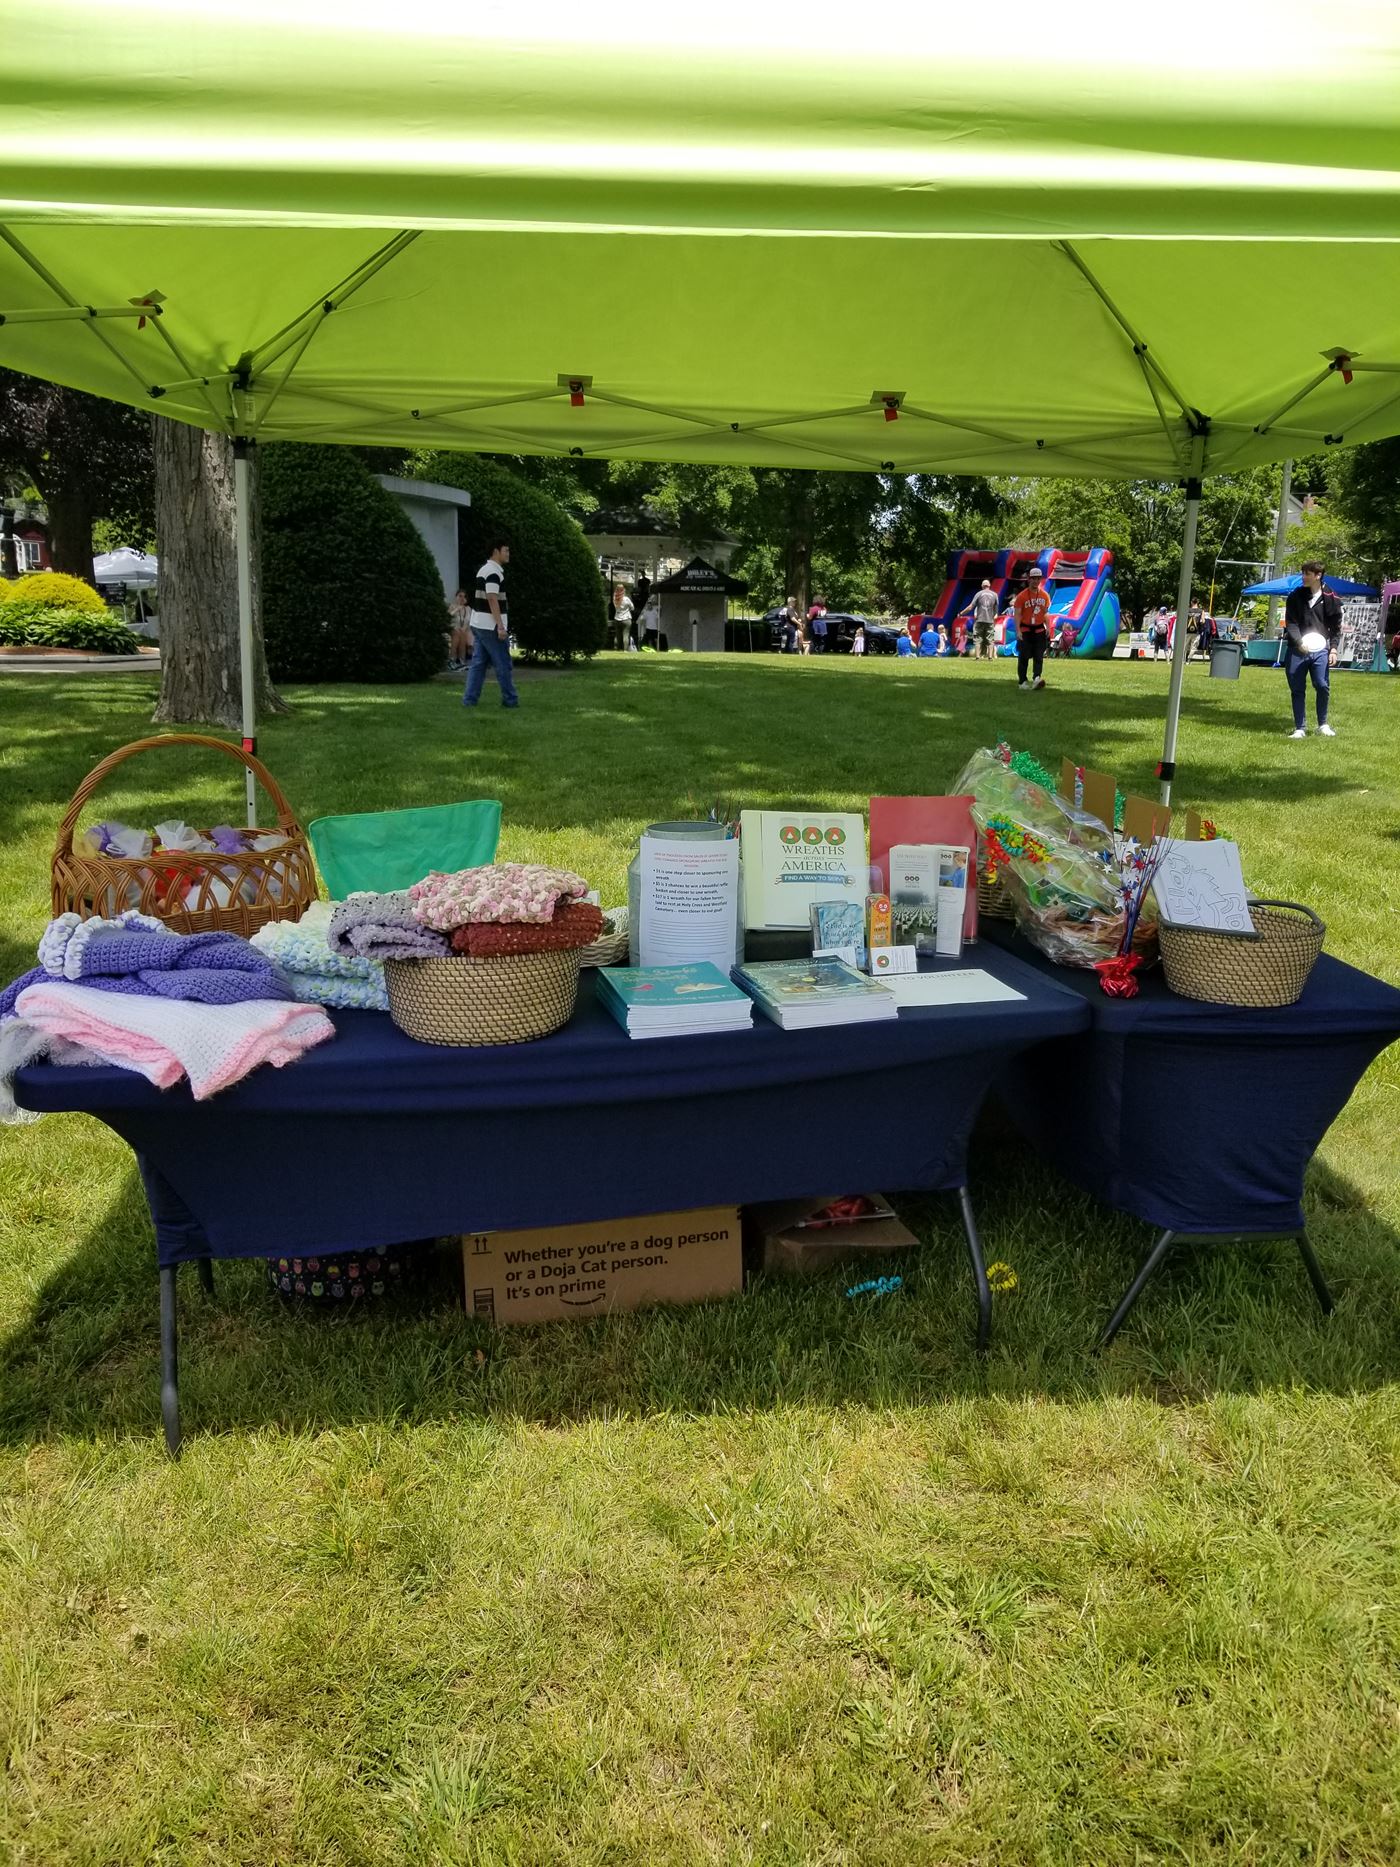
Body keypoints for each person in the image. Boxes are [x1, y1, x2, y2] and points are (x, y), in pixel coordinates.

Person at [1283, 560, 1342, 737]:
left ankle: (1322, 725)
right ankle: (1300, 728)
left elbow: (1336, 628)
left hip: (1321, 650)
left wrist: (1333, 649)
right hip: (1297, 649)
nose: (1303, 577)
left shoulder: (1332, 598)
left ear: (1318, 575)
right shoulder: (1295, 596)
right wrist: (1299, 642)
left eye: (1307, 574)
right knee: (1297, 689)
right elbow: (1291, 623)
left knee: (1322, 685)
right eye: (1303, 573)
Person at [462, 537, 519, 709]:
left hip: (479, 623)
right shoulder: (494, 573)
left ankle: (469, 700)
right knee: (503, 663)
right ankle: (510, 700)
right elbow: (492, 599)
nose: (508, 554)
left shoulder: (483, 570)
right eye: (506, 550)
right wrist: (500, 626)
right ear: (496, 551)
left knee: (478, 665)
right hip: (490, 626)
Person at [1011, 566, 1053, 690]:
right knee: (1024, 656)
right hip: (1026, 630)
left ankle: (1037, 678)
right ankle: (1022, 681)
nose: (1035, 581)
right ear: (1029, 580)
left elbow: (1045, 612)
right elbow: (1017, 614)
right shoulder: (1022, 596)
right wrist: (1018, 630)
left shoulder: (1045, 596)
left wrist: (1049, 628)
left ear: (1040, 580)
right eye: (1033, 579)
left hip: (1039, 629)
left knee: (1039, 656)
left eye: (1038, 579)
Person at [962, 579, 1000, 661]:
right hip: (990, 620)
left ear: (982, 586)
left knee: (978, 638)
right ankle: (990, 657)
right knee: (990, 639)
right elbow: (996, 611)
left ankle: (977, 657)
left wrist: (961, 613)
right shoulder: (995, 595)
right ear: (989, 586)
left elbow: (970, 607)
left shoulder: (979, 594)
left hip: (979, 620)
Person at [447, 588, 470, 671]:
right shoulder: (452, 606)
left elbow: (467, 622)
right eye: (460, 596)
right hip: (452, 628)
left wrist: (463, 628)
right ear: (456, 597)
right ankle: (451, 660)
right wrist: (457, 609)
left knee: (462, 634)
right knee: (456, 633)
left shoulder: (468, 609)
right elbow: (448, 617)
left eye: (464, 596)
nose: (462, 598)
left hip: (462, 630)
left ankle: (461, 661)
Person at [610, 583, 633, 653]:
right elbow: (632, 607)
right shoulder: (626, 599)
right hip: (626, 618)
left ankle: (616, 648)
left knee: (617, 635)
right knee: (626, 634)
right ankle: (625, 650)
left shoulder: (614, 598)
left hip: (617, 618)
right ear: (623, 590)